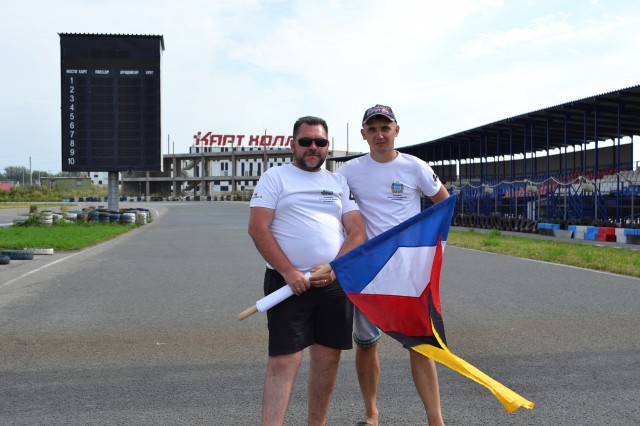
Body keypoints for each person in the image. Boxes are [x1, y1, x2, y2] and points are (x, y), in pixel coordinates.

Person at [248, 115, 367, 426]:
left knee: (328, 359)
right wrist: (289, 272)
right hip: (288, 283)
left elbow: (357, 232)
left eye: (320, 142)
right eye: (306, 141)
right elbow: (258, 228)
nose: (313, 147)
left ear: (328, 146)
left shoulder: (338, 182)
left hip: (332, 282)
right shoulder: (275, 178)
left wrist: (334, 268)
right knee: (284, 361)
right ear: (293, 145)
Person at [335, 104, 450, 426]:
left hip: (408, 273)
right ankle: (371, 413)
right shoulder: (348, 172)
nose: (379, 135)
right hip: (367, 272)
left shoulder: (415, 167)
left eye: (385, 128)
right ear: (363, 134)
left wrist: (429, 250)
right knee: (366, 344)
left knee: (421, 346)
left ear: (396, 131)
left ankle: (435, 419)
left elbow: (444, 203)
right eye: (372, 129)